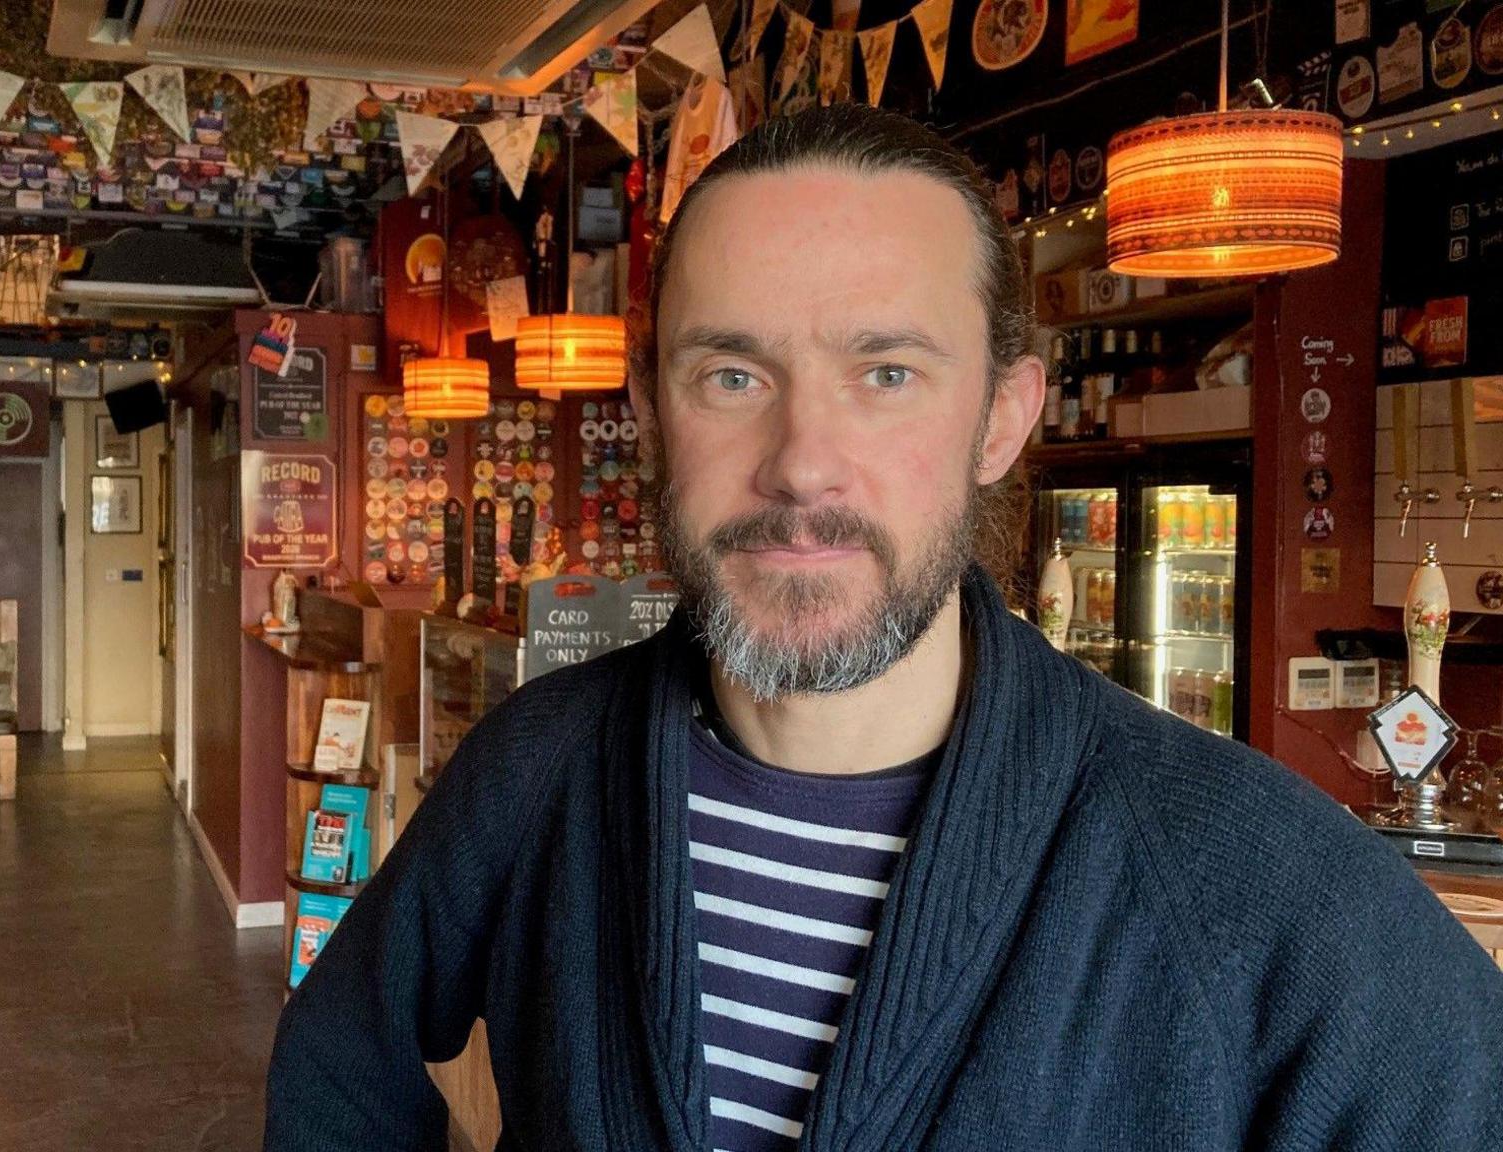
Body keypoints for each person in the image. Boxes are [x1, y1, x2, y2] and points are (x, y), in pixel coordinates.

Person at [265, 105, 1503, 1149]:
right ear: (649, 411)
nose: (803, 465)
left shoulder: (1256, 880)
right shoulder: (533, 770)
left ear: (1004, 417)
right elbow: (337, 1053)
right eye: (730, 375)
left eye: (886, 373)